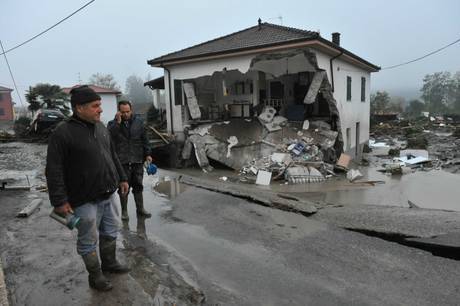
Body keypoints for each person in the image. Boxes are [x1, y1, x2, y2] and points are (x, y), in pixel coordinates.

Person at [46, 85, 130, 292]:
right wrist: (59, 201)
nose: (100, 110)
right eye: (95, 106)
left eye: (100, 105)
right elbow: (53, 169)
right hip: (83, 199)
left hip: (109, 192)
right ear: (79, 108)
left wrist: (122, 178)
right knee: (88, 240)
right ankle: (95, 276)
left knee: (111, 230)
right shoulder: (62, 133)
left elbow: (112, 155)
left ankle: (109, 263)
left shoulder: (101, 127)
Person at [107, 100, 152, 221]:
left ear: (131, 110)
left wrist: (147, 154)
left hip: (137, 159)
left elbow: (145, 139)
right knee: (123, 187)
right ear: (118, 111)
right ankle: (124, 211)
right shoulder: (112, 124)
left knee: (138, 185)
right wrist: (117, 123)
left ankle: (140, 209)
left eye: (128, 111)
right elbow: (109, 137)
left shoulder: (139, 122)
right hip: (122, 161)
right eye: (123, 112)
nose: (126, 114)